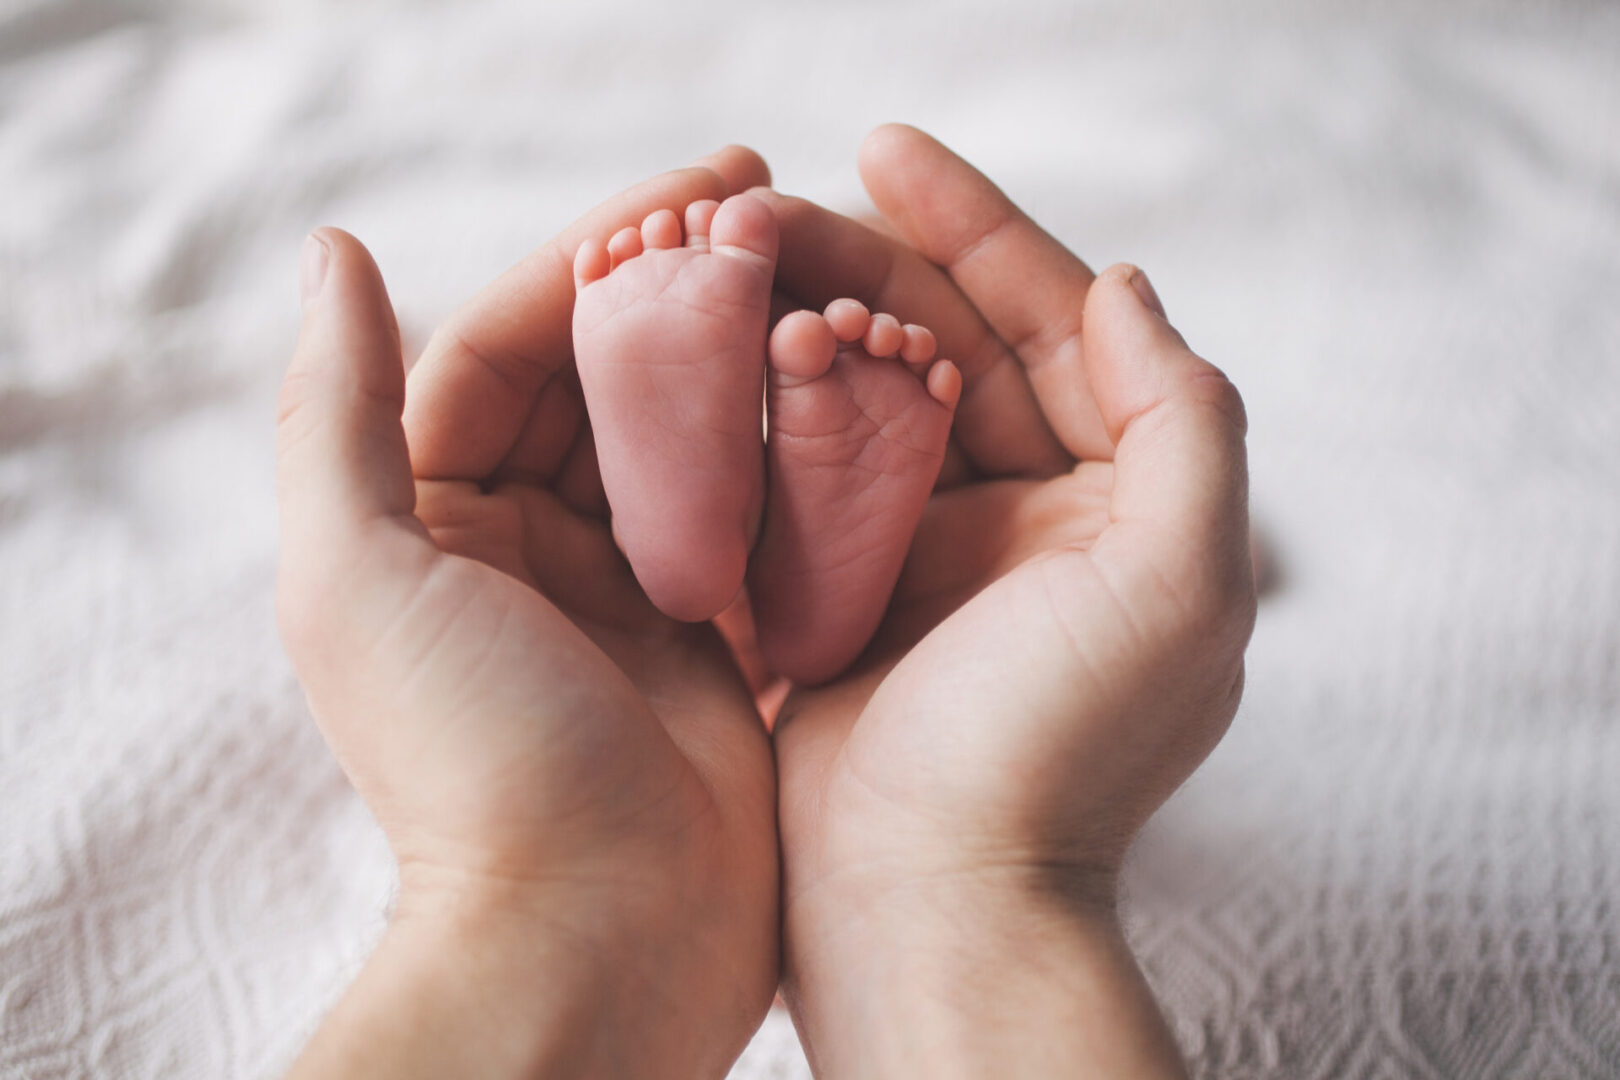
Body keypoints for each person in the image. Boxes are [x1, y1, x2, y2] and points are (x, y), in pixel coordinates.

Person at [274, 124, 1255, 1078]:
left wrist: (548, 888)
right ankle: (802, 594)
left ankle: (685, 549)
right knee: (894, 518)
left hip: (625, 658)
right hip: (910, 652)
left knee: (711, 570)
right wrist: (961, 877)